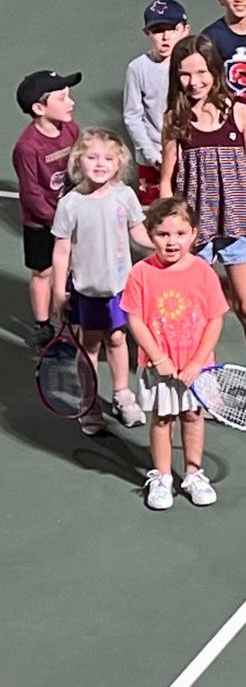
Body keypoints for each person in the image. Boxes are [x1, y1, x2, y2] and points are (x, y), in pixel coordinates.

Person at [159, 35, 246, 381]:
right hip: (196, 230)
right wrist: (169, 230)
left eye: (201, 72)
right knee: (198, 312)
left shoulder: (241, 113)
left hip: (238, 224)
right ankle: (202, 380)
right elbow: (167, 181)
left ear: (215, 71)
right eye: (185, 74)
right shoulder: (174, 120)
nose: (194, 82)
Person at [122, 198, 228, 510]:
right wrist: (159, 359)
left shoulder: (203, 272)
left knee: (193, 415)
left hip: (197, 367)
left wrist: (197, 362)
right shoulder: (140, 273)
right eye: (163, 234)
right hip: (160, 367)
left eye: (180, 234)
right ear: (150, 235)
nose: (172, 242)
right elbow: (135, 320)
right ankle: (162, 477)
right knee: (162, 418)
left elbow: (215, 319)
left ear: (194, 234)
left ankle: (194, 474)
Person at [50, 128, 152, 434]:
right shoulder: (70, 204)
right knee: (90, 345)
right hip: (88, 290)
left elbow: (138, 231)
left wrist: (163, 245)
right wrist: (58, 292)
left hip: (120, 288)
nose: (100, 164)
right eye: (92, 157)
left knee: (118, 339)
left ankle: (122, 394)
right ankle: (89, 403)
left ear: (119, 163)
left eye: (108, 158)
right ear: (78, 161)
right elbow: (62, 251)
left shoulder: (125, 196)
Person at [12, 70, 81, 352]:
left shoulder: (72, 130)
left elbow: (80, 169)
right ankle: (43, 326)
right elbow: (32, 195)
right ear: (39, 109)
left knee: (72, 267)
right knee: (43, 272)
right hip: (41, 223)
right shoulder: (27, 148)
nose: (71, 103)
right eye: (62, 98)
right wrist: (58, 222)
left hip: (71, 217)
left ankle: (69, 317)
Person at [123, 0, 190, 206]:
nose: (165, 37)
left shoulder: (193, 66)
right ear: (147, 33)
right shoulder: (138, 68)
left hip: (188, 157)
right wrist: (152, 155)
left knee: (188, 212)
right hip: (153, 159)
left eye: (172, 29)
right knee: (154, 214)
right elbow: (132, 116)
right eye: (158, 30)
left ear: (185, 30)